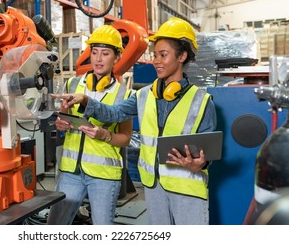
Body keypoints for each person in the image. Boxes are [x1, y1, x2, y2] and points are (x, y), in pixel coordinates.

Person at [54, 17, 217, 225]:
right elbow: (113, 114)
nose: (156, 61)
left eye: (163, 55)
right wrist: (86, 101)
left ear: (182, 56)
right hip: (154, 187)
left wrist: (200, 163)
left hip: (187, 189)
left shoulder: (201, 101)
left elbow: (208, 148)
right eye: (155, 55)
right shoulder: (144, 95)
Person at [47, 25, 133, 225]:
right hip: (70, 172)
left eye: (105, 53)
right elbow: (64, 118)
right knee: (54, 227)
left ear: (117, 57)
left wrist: (105, 135)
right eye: (94, 52)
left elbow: (126, 138)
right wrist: (60, 123)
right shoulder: (72, 85)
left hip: (103, 176)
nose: (98, 59)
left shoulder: (124, 95)